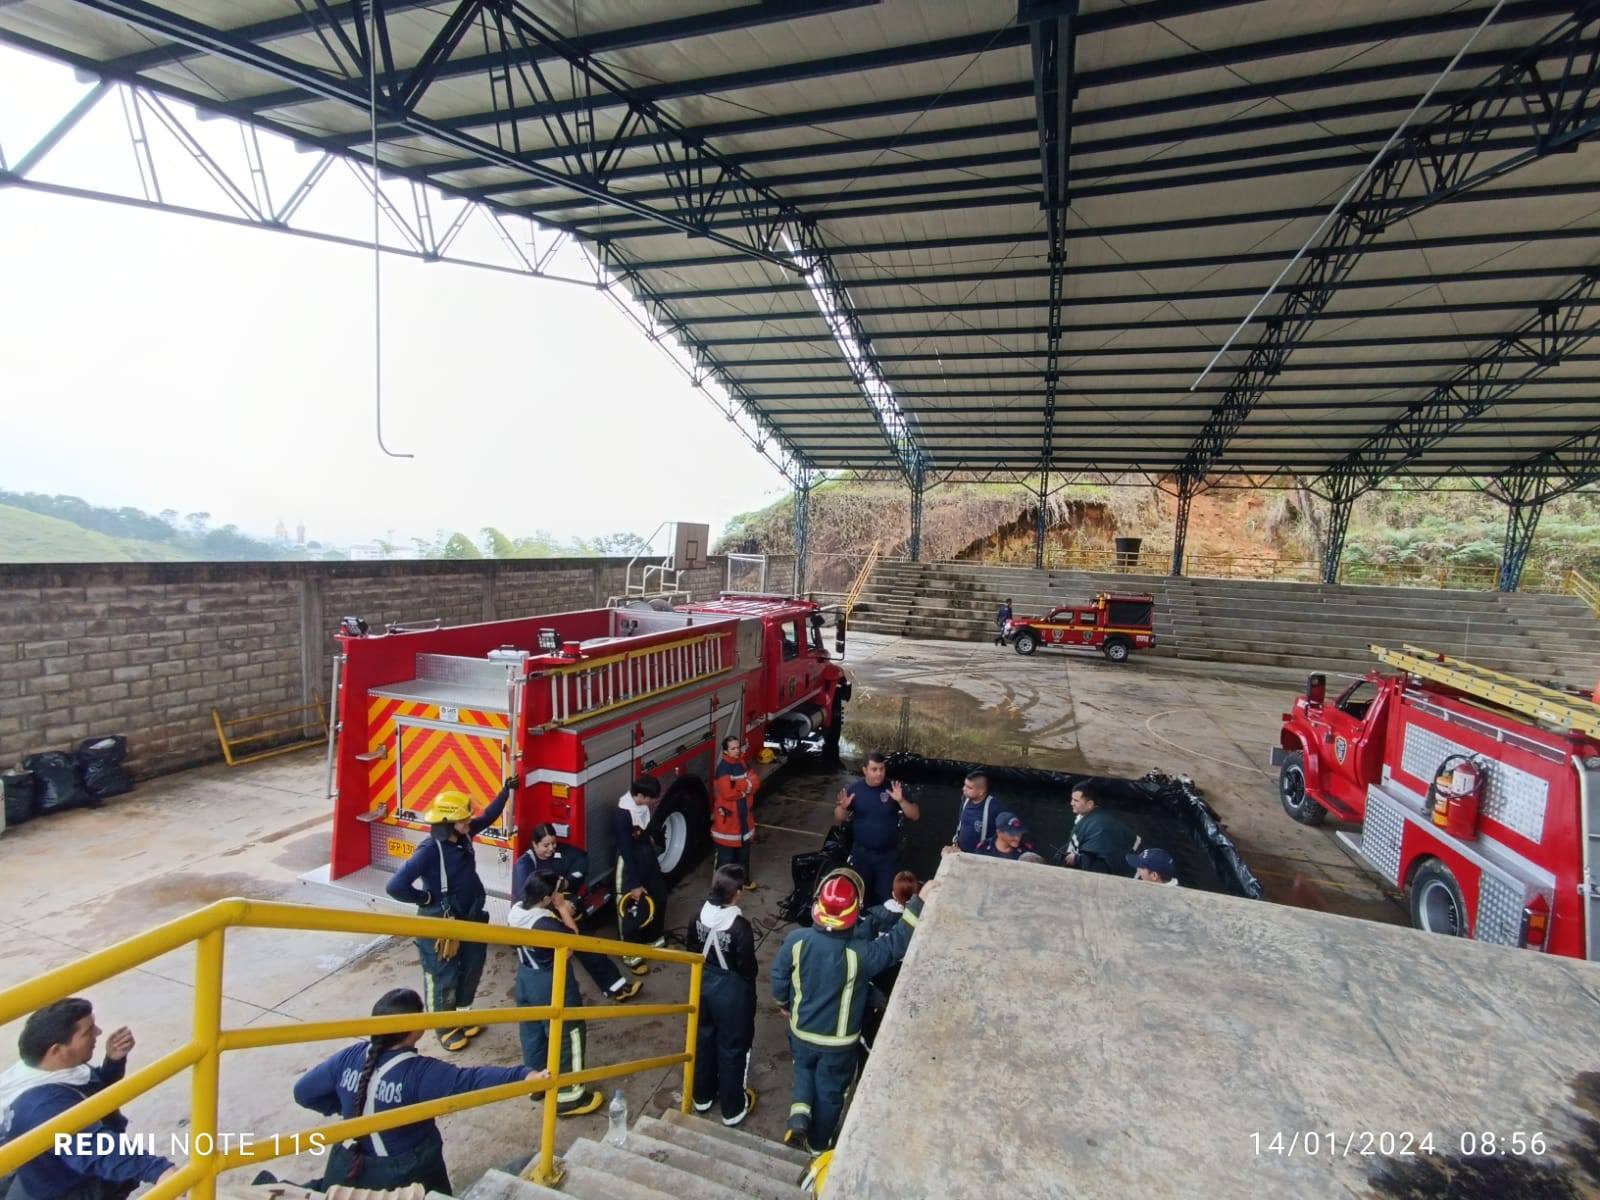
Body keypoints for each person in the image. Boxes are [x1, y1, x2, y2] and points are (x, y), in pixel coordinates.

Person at [292, 988, 544, 1192]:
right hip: (407, 1173)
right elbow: (470, 1080)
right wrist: (523, 1075)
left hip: (347, 1165)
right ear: (414, 1028)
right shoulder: (419, 1073)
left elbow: (303, 1092)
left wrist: (350, 1107)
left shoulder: (349, 1056)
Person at [770, 868, 931, 1154]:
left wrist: (784, 1004)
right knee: (831, 1093)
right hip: (838, 1045)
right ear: (854, 913)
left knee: (804, 1071)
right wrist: (918, 903)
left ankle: (798, 1118)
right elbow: (895, 943)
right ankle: (818, 1145)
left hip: (801, 1032)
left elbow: (779, 976)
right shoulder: (862, 954)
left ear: (818, 908)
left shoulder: (797, 941)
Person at [0, 1000, 175, 1200]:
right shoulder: (45, 1106)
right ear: (57, 1050)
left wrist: (113, 1063)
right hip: (68, 1188)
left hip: (44, 1178)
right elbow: (94, 1147)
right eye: (88, 1031)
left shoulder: (43, 1070)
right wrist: (157, 1170)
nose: (99, 1032)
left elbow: (85, 1094)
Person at [384, 781, 513, 1051]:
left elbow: (487, 817)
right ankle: (444, 1027)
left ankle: (461, 1016)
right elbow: (395, 886)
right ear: (449, 823)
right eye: (463, 819)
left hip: (469, 916)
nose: (469, 822)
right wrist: (425, 898)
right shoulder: (430, 851)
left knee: (471, 968)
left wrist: (505, 792)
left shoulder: (463, 835)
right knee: (442, 975)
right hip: (441, 920)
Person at [507, 874, 605, 1117]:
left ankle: (538, 1082)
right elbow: (572, 942)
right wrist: (562, 907)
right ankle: (569, 1096)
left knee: (533, 1032)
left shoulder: (516, 910)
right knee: (568, 1032)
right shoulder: (543, 923)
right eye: (556, 891)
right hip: (550, 979)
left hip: (525, 976)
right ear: (546, 898)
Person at [513, 825, 642, 1003]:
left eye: (553, 843)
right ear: (534, 845)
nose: (551, 848)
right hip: (541, 919)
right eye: (545, 845)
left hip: (552, 910)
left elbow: (580, 858)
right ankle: (614, 987)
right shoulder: (524, 865)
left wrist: (566, 884)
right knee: (578, 940)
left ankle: (616, 986)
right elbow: (527, 898)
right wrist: (560, 906)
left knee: (587, 945)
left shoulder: (558, 854)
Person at [685, 865, 758, 1127]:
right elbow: (748, 967)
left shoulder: (697, 915)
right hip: (732, 993)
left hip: (702, 985)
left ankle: (702, 1097)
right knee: (733, 1048)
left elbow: (691, 948)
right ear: (736, 892)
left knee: (703, 1039)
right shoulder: (739, 927)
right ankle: (732, 1108)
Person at [833, 752, 919, 906]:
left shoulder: (894, 788)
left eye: (882, 769)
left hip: (887, 857)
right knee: (859, 896)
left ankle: (883, 928)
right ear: (864, 770)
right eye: (874, 769)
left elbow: (915, 815)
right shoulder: (854, 790)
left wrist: (901, 800)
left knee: (888, 899)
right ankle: (861, 926)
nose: (879, 773)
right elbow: (839, 818)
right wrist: (842, 807)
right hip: (861, 855)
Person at [612, 776, 668, 974]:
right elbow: (626, 849)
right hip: (628, 863)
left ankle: (652, 938)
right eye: (651, 798)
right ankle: (629, 952)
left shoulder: (642, 807)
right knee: (628, 907)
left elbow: (645, 832)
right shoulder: (623, 814)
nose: (654, 801)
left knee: (659, 895)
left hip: (646, 856)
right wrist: (634, 883)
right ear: (641, 796)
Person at [711, 737, 760, 887]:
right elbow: (728, 793)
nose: (737, 750)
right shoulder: (723, 769)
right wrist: (746, 789)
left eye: (738, 747)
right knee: (726, 858)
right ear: (725, 751)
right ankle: (721, 888)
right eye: (733, 748)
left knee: (744, 855)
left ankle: (743, 882)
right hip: (728, 824)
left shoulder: (742, 763)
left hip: (743, 821)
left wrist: (739, 785)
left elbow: (756, 782)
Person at [1062, 781, 1139, 876]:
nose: (1071, 803)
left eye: (1076, 800)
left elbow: (1100, 861)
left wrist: (1076, 859)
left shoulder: (1101, 826)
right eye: (1072, 799)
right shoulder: (1087, 817)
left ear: (1090, 804)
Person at [948, 770, 998, 855]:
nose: (964, 789)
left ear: (981, 791)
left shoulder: (994, 807)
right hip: (960, 852)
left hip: (979, 857)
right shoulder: (965, 799)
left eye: (969, 787)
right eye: (965, 785)